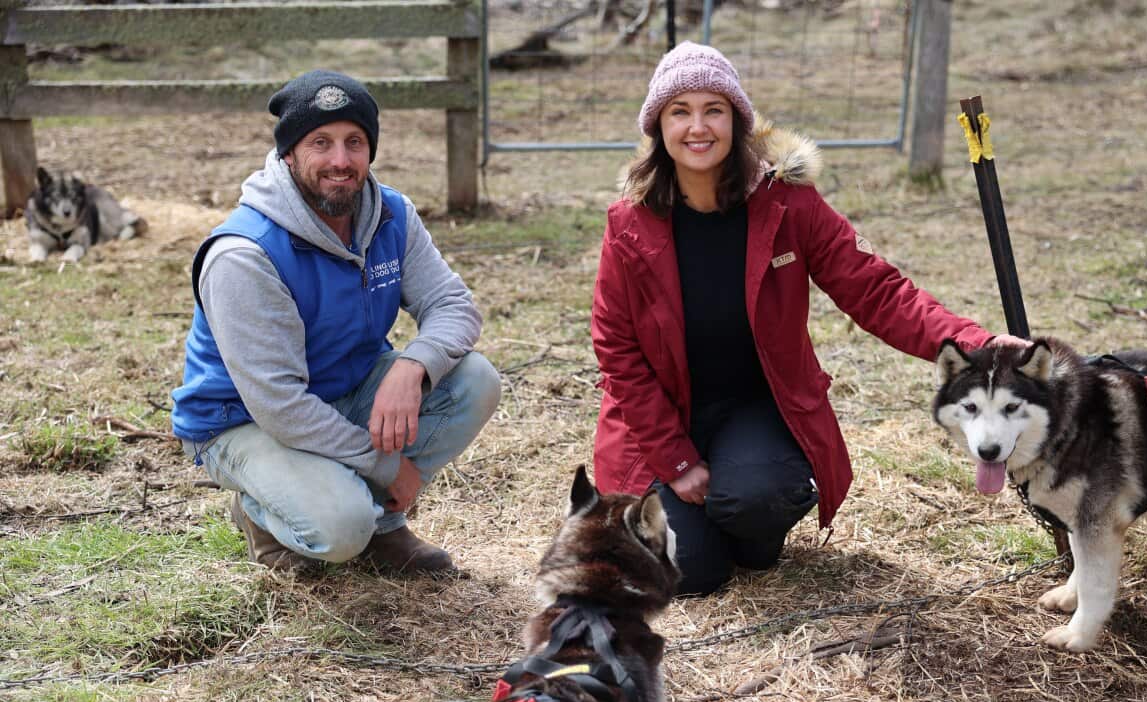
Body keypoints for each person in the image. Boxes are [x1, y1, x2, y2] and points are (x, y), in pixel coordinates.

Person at [590, 43, 1028, 595]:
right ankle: (697, 520)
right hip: (660, 418)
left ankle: (739, 516)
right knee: (692, 573)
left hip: (756, 405)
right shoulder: (630, 223)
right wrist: (676, 462)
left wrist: (978, 345)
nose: (698, 127)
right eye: (680, 111)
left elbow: (877, 291)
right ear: (659, 126)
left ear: (737, 121)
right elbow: (616, 348)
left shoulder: (788, 206)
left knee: (755, 504)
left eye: (714, 110)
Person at [171, 70, 501, 576]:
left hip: (344, 386)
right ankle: (261, 513)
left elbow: (453, 305)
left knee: (473, 380)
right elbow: (280, 405)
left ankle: (384, 530)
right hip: (244, 420)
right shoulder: (245, 254)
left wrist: (412, 365)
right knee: (341, 527)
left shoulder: (390, 213)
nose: (340, 161)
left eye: (355, 142)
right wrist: (388, 464)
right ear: (288, 154)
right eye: (320, 143)